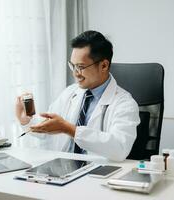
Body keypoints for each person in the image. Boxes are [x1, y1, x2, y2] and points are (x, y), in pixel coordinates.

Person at [15, 30, 140, 161]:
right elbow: (48, 127)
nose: (75, 73)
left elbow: (119, 149)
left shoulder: (125, 104)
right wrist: (26, 120)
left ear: (104, 65)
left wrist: (68, 129)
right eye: (72, 66)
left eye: (80, 67)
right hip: (63, 168)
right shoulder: (70, 93)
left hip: (97, 174)